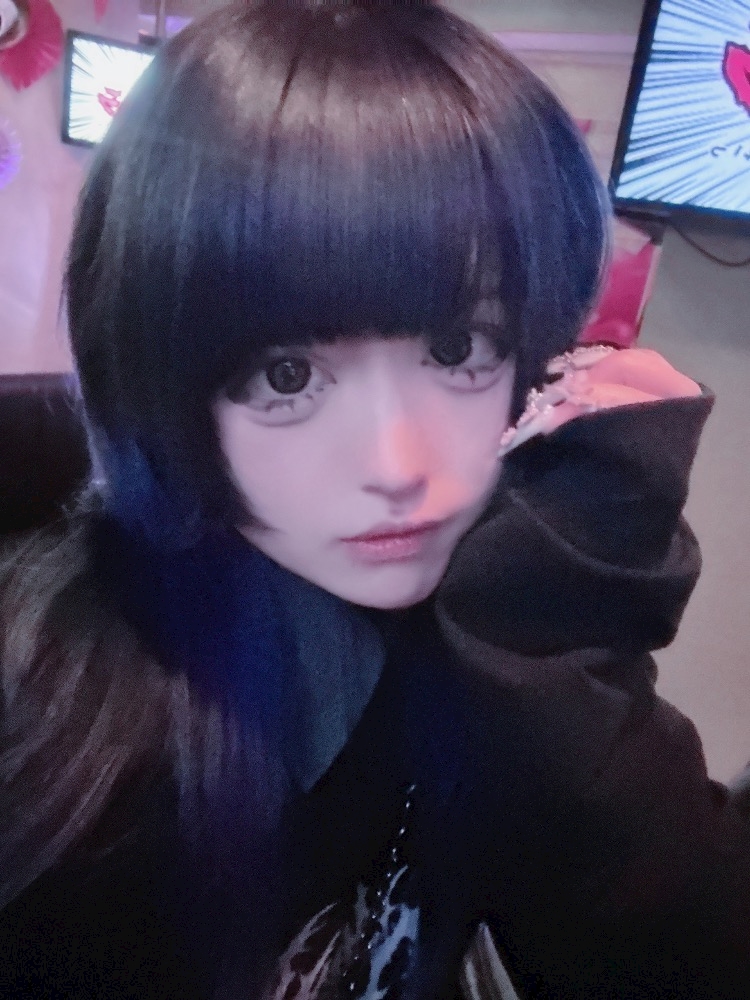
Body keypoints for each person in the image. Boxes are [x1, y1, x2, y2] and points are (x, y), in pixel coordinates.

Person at [1, 2, 748, 997]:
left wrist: (558, 633)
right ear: (159, 379)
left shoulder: (469, 612)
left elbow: (684, 953)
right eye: (286, 375)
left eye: (458, 347)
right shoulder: (64, 750)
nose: (399, 464)